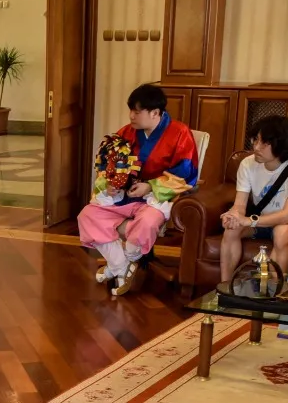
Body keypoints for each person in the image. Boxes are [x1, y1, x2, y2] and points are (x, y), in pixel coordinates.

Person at [76, 83, 199, 296]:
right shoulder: (126, 133)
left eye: (137, 111)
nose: (131, 116)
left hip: (157, 195)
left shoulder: (180, 134)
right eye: (130, 110)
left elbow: (186, 173)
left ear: (155, 113)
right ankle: (120, 265)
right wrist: (111, 184)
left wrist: (150, 185)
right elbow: (108, 167)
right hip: (126, 196)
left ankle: (121, 265)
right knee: (88, 215)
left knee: (148, 221)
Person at [218, 114, 288, 283]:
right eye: (255, 140)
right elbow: (240, 205)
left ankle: (274, 292)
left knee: (282, 233)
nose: (256, 147)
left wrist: (249, 221)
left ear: (281, 144)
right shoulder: (247, 164)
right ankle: (224, 288)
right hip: (259, 220)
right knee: (232, 228)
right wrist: (233, 215)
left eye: (264, 143)